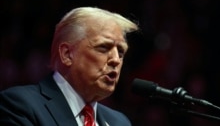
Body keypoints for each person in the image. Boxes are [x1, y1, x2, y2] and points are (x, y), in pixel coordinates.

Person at [0, 7, 139, 126]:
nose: (116, 59)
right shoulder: (21, 105)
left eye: (121, 52)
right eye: (103, 47)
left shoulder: (120, 122)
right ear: (67, 54)